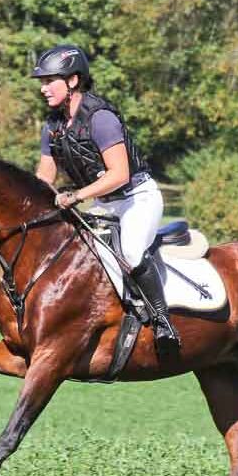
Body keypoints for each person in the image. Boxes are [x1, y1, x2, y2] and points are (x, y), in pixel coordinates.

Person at [31, 44, 179, 348]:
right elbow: (44, 177)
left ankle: (163, 321)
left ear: (72, 81)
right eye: (42, 83)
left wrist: (75, 197)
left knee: (132, 252)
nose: (43, 89)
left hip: (136, 198)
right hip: (102, 203)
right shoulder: (53, 126)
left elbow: (119, 174)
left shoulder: (100, 118)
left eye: (49, 81)